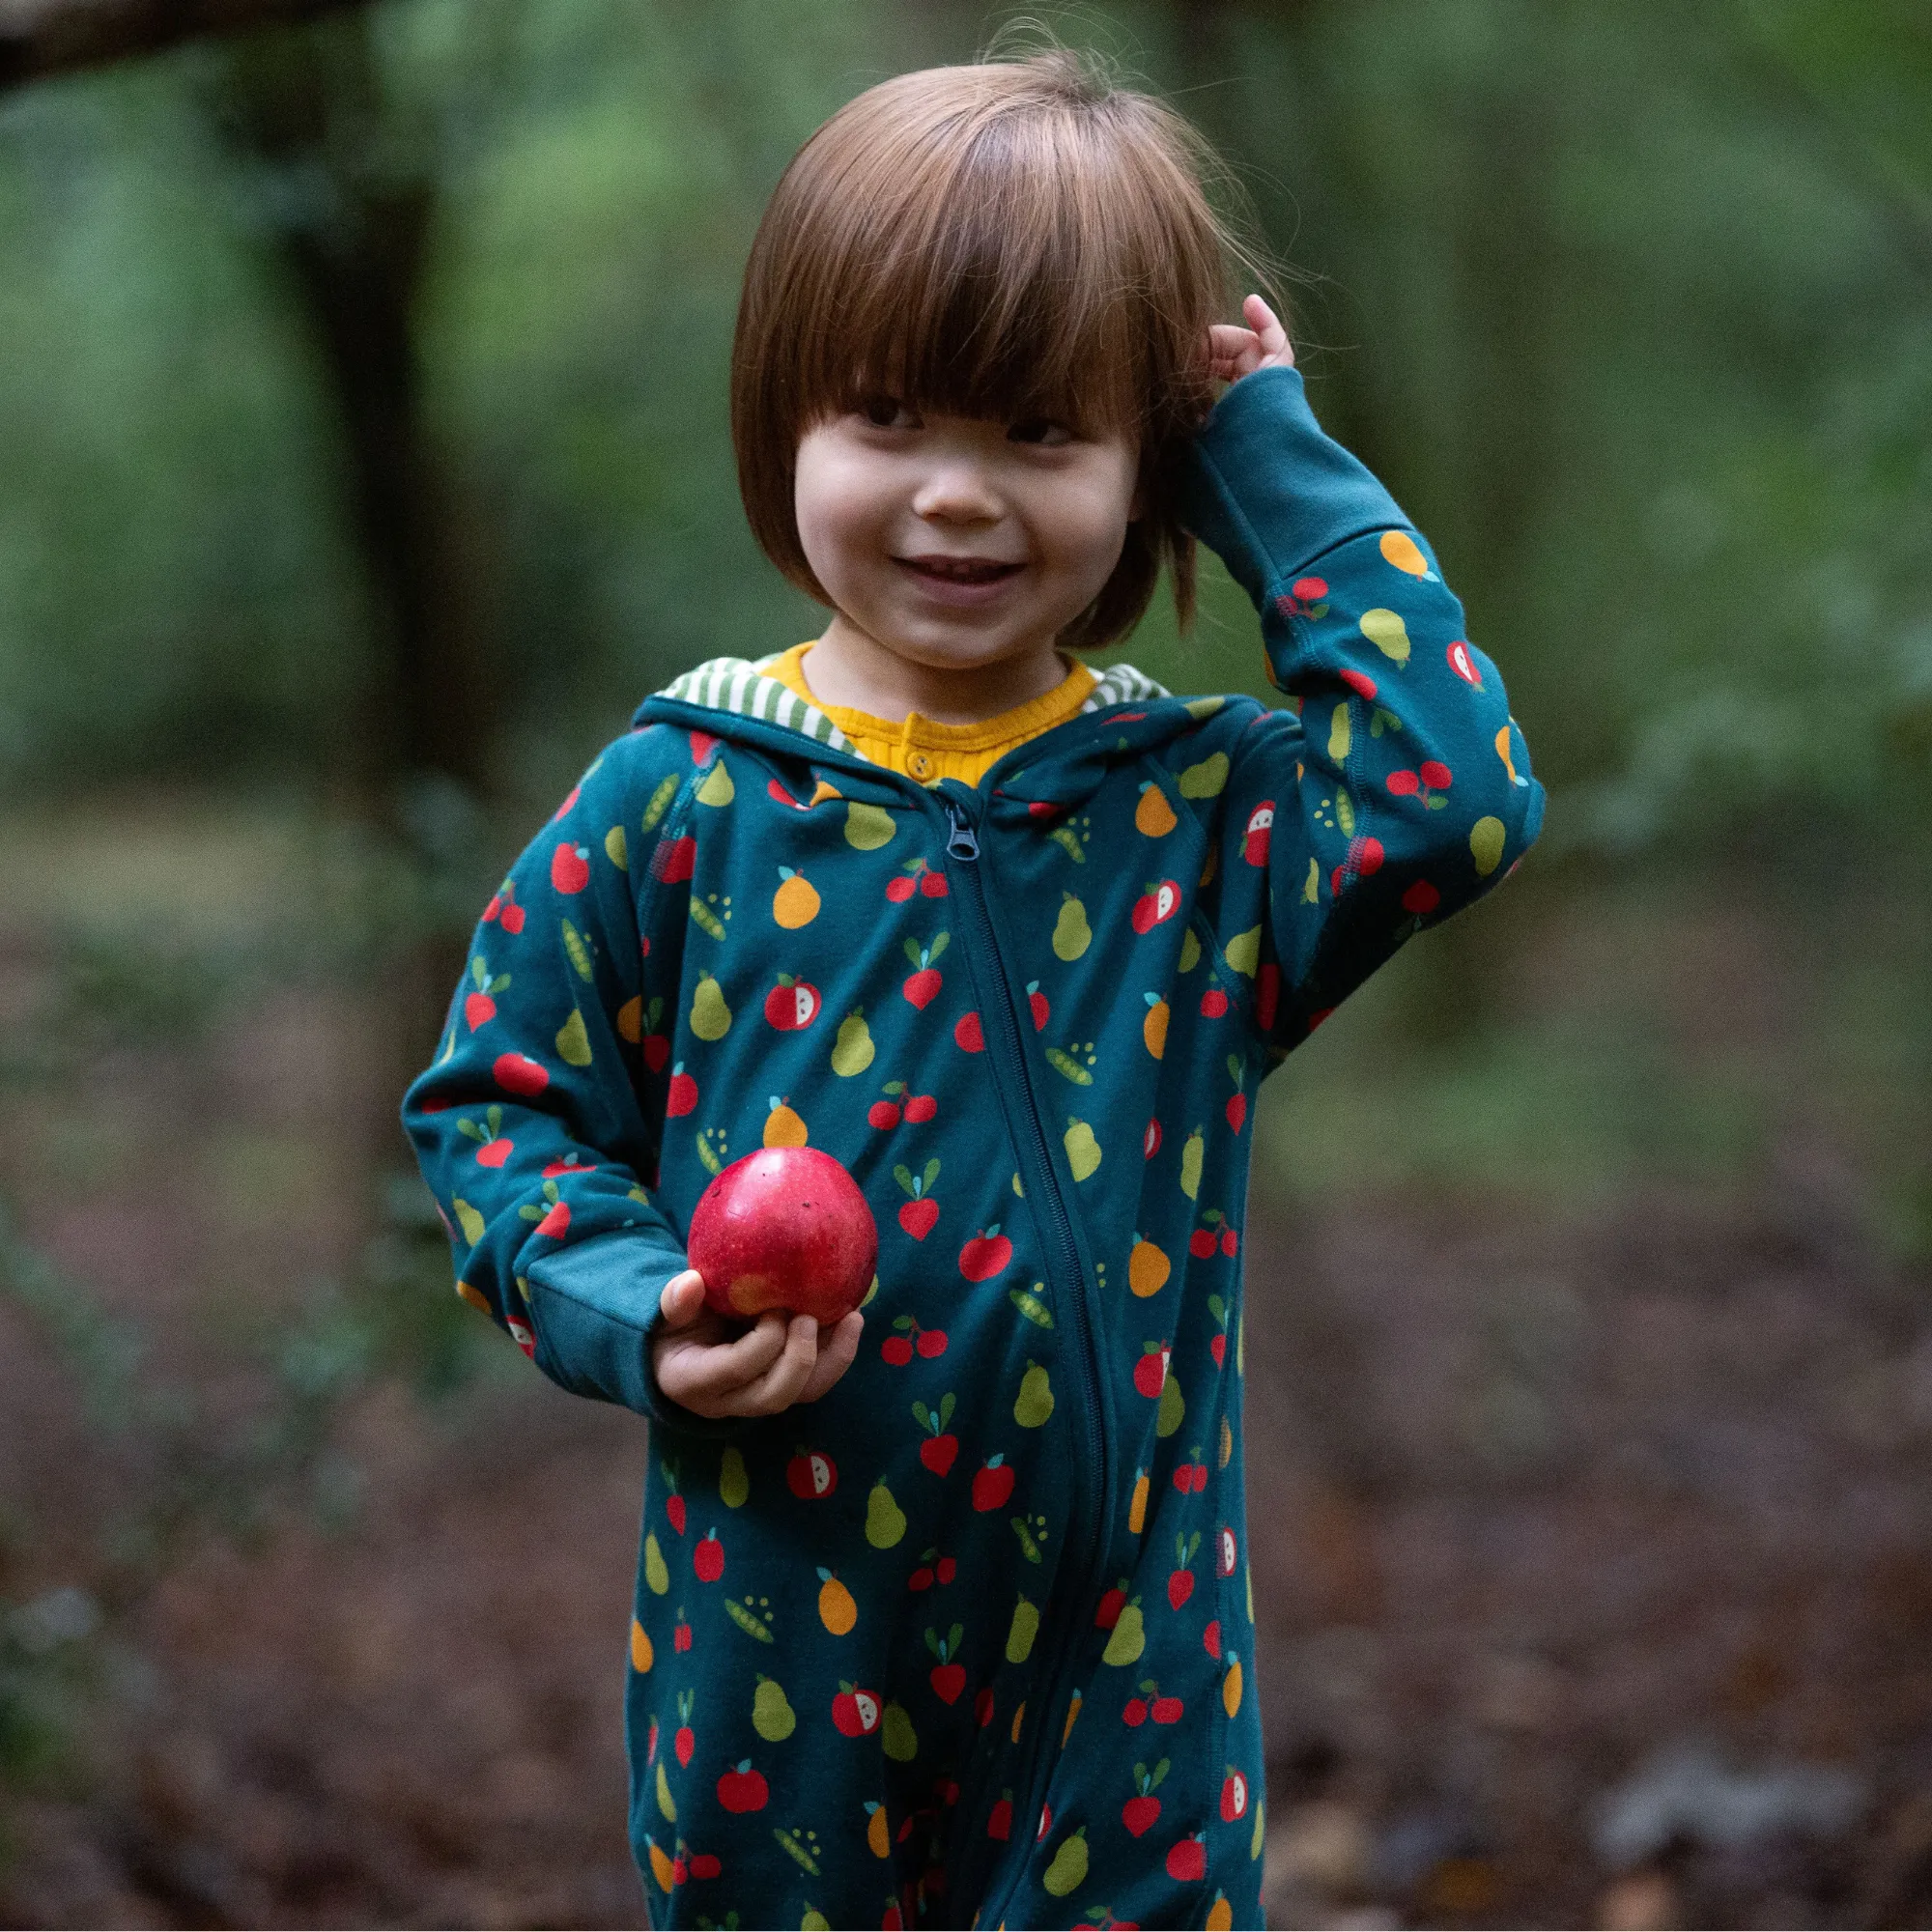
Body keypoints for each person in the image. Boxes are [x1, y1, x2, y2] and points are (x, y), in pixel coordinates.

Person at [403, 43, 1542, 1930]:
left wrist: (1263, 451)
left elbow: (1454, 792)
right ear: (785, 424)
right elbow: (492, 1110)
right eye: (887, 418)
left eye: (1038, 432)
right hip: (781, 1659)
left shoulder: (1203, 815)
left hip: (1135, 1676)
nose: (955, 497)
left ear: (1141, 465)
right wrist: (634, 1302)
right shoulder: (685, 797)